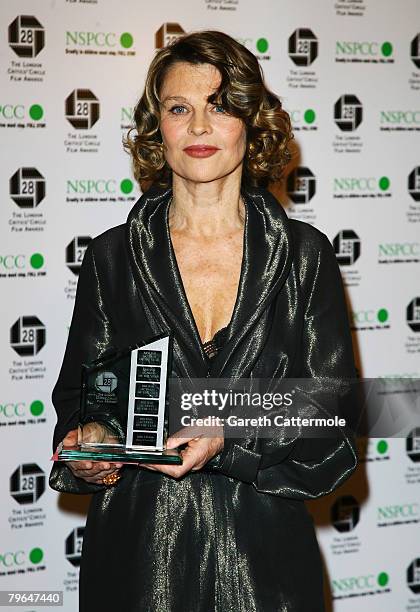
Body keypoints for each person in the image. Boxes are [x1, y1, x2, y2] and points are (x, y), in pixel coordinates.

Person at [49, 30, 358, 612]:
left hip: (266, 572)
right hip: (139, 566)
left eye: (220, 106)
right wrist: (91, 443)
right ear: (155, 125)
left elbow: (333, 412)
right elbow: (85, 400)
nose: (198, 128)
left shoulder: (304, 255)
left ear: (251, 120)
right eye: (178, 108)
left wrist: (228, 433)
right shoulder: (111, 258)